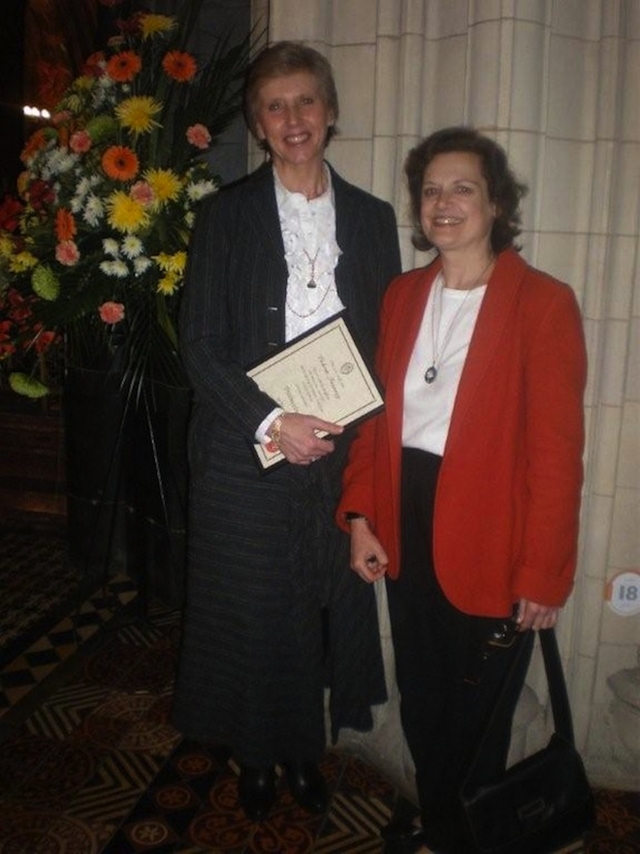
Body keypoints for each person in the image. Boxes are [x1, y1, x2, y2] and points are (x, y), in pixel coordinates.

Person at [337, 126, 587, 853]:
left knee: (479, 712)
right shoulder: (402, 295)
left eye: (463, 188)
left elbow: (557, 454)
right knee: (423, 694)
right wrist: (360, 515)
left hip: (493, 530)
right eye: (430, 189)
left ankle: (454, 836)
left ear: (497, 204)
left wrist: (544, 571)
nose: (443, 203)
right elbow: (376, 423)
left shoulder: (542, 303)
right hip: (406, 513)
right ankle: (446, 817)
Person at [172, 41, 401, 823]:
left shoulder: (373, 220)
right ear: (259, 125)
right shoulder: (224, 216)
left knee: (318, 606)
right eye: (276, 106)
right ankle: (259, 756)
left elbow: (384, 346)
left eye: (307, 101)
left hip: (337, 458)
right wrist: (274, 420)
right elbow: (198, 344)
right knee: (252, 611)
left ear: (330, 112)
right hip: (246, 453)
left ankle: (304, 747)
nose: (293, 118)